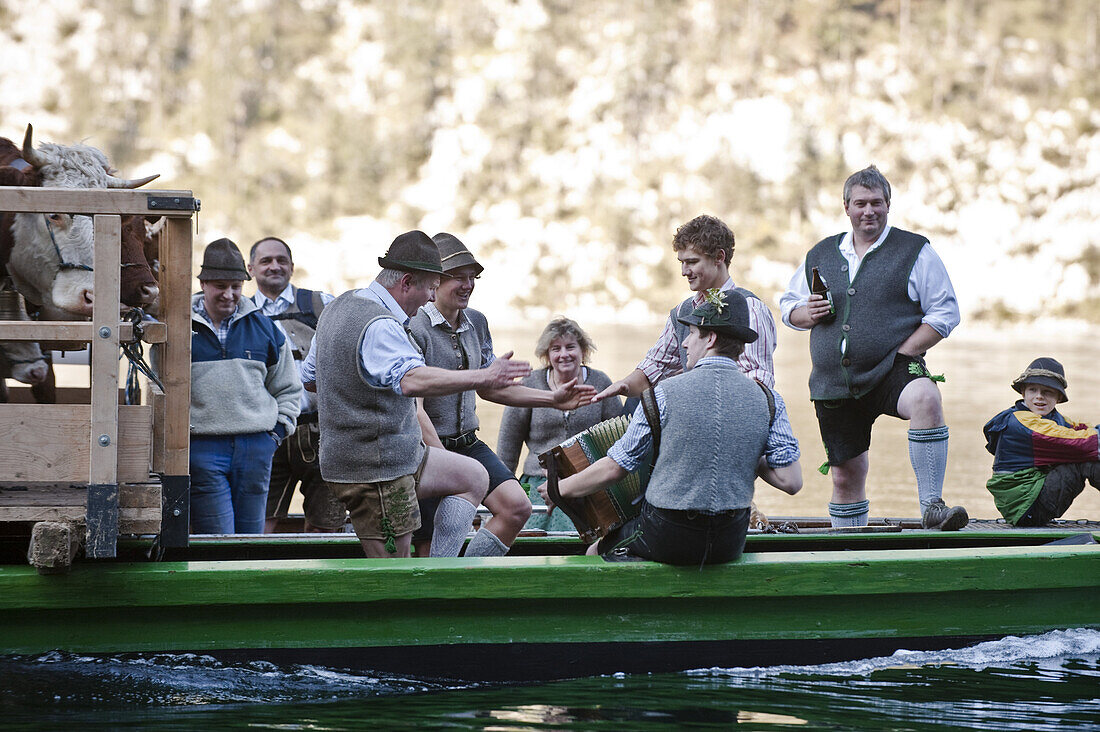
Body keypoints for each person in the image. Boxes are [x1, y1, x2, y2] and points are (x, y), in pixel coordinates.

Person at [308, 230, 556, 558]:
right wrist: (484, 375)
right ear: (406, 282)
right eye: (429, 287)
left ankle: (445, 571)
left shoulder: (340, 305)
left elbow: (311, 379)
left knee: (473, 476)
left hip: (389, 456)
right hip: (376, 469)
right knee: (392, 573)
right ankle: (412, 596)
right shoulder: (382, 325)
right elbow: (411, 380)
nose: (429, 298)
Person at [540, 290, 801, 565]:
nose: (685, 343)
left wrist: (561, 488)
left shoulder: (661, 393)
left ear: (710, 338)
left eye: (691, 333)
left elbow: (616, 467)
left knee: (594, 551)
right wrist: (743, 443)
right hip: (730, 540)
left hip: (669, 535)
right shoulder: (770, 399)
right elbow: (792, 482)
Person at [779, 165, 967, 530]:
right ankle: (849, 550)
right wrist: (808, 312)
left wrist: (906, 351)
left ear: (888, 205)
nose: (869, 211)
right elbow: (789, 308)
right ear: (846, 207)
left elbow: (946, 311)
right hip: (834, 379)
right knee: (845, 477)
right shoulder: (820, 253)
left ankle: (932, 507)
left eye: (877, 203)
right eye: (861, 203)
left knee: (926, 397)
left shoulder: (915, 250)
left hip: (894, 367)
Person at [407, 234, 597, 556]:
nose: (468, 285)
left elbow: (490, 386)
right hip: (425, 449)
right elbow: (416, 410)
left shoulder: (476, 322)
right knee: (428, 545)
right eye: (459, 277)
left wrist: (552, 399)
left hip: (468, 442)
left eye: (473, 277)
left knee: (516, 508)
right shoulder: (415, 326)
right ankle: (439, 591)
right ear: (434, 281)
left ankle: (464, 577)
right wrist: (449, 464)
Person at [596, 214, 778, 406]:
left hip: (734, 420)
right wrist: (624, 385)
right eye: (681, 262)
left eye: (691, 262)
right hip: (694, 419)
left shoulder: (751, 308)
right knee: (635, 404)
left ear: (719, 257)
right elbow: (656, 366)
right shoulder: (682, 311)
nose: (684, 271)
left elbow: (759, 385)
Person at [189, 238, 302, 534]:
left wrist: (275, 435)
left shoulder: (264, 328)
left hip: (256, 447)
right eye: (220, 286)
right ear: (203, 284)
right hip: (203, 447)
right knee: (218, 537)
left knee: (252, 537)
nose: (229, 295)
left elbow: (289, 388)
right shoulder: (179, 327)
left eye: (236, 287)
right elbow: (161, 384)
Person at [248, 236, 347, 533]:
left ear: (292, 266)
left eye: (281, 260)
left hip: (322, 433)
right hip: (265, 433)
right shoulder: (240, 312)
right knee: (258, 525)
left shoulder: (322, 304)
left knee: (325, 527)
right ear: (250, 268)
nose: (274, 266)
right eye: (266, 261)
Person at [497, 316, 623, 532]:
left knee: (584, 533)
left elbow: (619, 439)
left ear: (583, 351)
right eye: (556, 348)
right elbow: (508, 446)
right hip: (538, 482)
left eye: (570, 347)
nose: (564, 354)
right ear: (547, 354)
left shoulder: (601, 382)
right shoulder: (530, 384)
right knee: (533, 536)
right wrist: (501, 493)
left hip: (587, 482)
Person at [984, 357, 1100, 526]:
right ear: (1023, 393)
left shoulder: (1053, 418)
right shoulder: (1021, 423)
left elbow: (1083, 430)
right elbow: (1086, 443)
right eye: (1033, 390)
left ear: (1058, 398)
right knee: (1085, 459)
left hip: (1036, 495)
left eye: (1048, 392)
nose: (1039, 397)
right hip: (1025, 507)